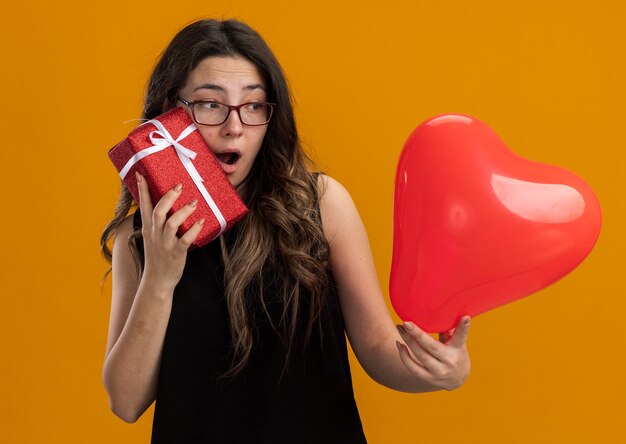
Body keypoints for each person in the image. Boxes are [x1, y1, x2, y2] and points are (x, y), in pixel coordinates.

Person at [101, 18, 471, 443]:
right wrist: (160, 279)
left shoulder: (322, 204)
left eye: (254, 105)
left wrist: (444, 371)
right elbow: (125, 402)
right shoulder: (140, 234)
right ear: (171, 113)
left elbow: (379, 351)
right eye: (209, 104)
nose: (234, 126)